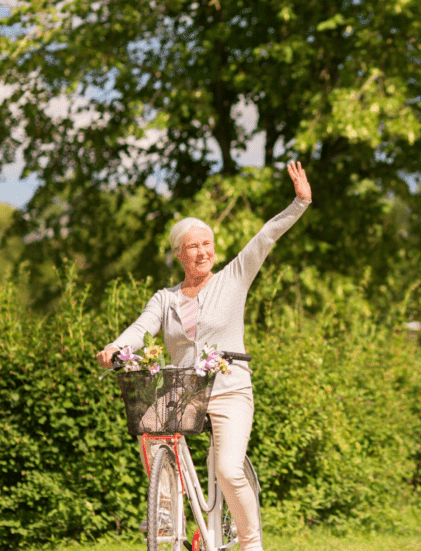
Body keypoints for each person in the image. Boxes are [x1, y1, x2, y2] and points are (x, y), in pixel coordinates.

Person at [96, 161, 313, 551]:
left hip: (230, 389)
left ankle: (251, 542)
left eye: (207, 244)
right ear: (179, 254)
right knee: (151, 430)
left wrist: (299, 203)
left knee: (228, 470)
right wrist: (115, 348)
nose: (202, 252)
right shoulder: (165, 299)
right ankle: (168, 515)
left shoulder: (233, 278)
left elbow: (265, 237)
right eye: (193, 246)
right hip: (184, 390)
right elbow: (141, 328)